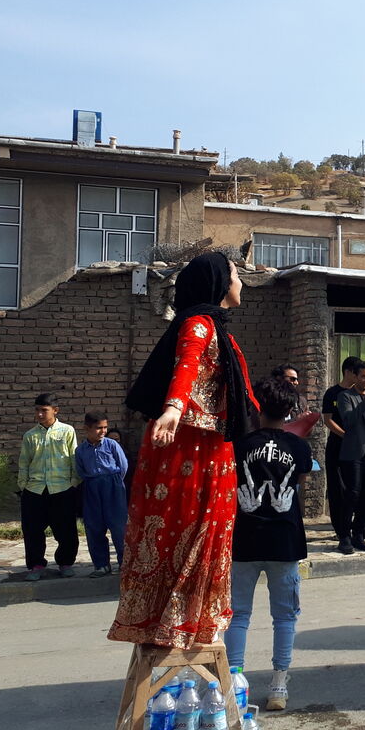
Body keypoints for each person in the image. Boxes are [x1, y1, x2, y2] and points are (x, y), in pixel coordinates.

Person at [110, 252, 258, 648]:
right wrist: (174, 408)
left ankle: (187, 617)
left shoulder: (214, 326)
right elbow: (186, 366)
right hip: (194, 449)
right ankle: (178, 619)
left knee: (204, 532)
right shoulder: (199, 325)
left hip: (210, 445)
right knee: (188, 531)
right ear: (219, 284)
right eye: (235, 275)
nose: (240, 282)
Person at [226, 376, 312, 712]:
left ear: (257, 408)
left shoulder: (239, 445)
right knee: (285, 616)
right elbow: (298, 488)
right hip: (285, 540)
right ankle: (279, 682)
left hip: (243, 539)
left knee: (238, 614)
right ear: (290, 410)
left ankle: (234, 681)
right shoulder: (300, 447)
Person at [17, 393, 80, 582]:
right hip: (35, 490)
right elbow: (24, 463)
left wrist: (73, 483)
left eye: (44, 410)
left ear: (55, 410)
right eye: (37, 410)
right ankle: (36, 564)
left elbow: (73, 459)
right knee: (33, 530)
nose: (40, 414)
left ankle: (65, 562)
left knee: (66, 529)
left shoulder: (67, 431)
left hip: (62, 488)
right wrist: (23, 486)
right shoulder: (30, 435)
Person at [334, 360, 365, 554]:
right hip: (353, 453)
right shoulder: (345, 396)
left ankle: (359, 535)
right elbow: (348, 421)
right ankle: (344, 537)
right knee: (352, 494)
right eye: (364, 376)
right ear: (355, 377)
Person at [74, 412, 129, 577]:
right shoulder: (80, 450)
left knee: (119, 527)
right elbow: (80, 471)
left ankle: (124, 564)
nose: (103, 431)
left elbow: (123, 466)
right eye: (99, 428)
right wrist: (93, 482)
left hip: (113, 486)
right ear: (87, 428)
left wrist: (114, 484)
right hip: (92, 487)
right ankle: (101, 565)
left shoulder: (112, 445)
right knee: (94, 527)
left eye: (105, 427)